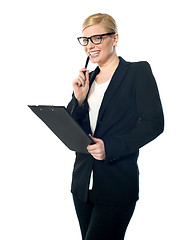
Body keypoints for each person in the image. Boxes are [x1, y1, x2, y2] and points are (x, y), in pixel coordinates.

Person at [67, 13, 164, 240]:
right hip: (83, 185)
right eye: (86, 40)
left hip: (116, 185)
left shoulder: (137, 72)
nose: (90, 46)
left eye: (97, 38)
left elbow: (154, 123)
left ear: (115, 38)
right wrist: (79, 99)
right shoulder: (87, 79)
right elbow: (75, 132)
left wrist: (109, 147)